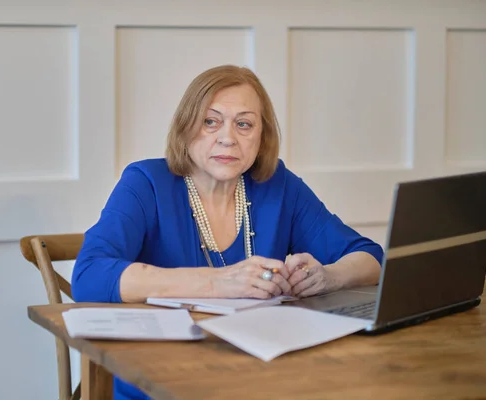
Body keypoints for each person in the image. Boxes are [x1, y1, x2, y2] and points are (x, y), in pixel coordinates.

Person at [71, 64, 384, 399]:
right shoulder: (145, 183)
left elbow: (371, 257)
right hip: (161, 381)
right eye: (210, 121)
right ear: (186, 126)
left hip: (260, 377)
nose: (228, 137)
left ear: (262, 137)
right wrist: (219, 281)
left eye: (244, 124)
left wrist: (327, 276)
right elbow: (89, 276)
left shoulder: (278, 185)